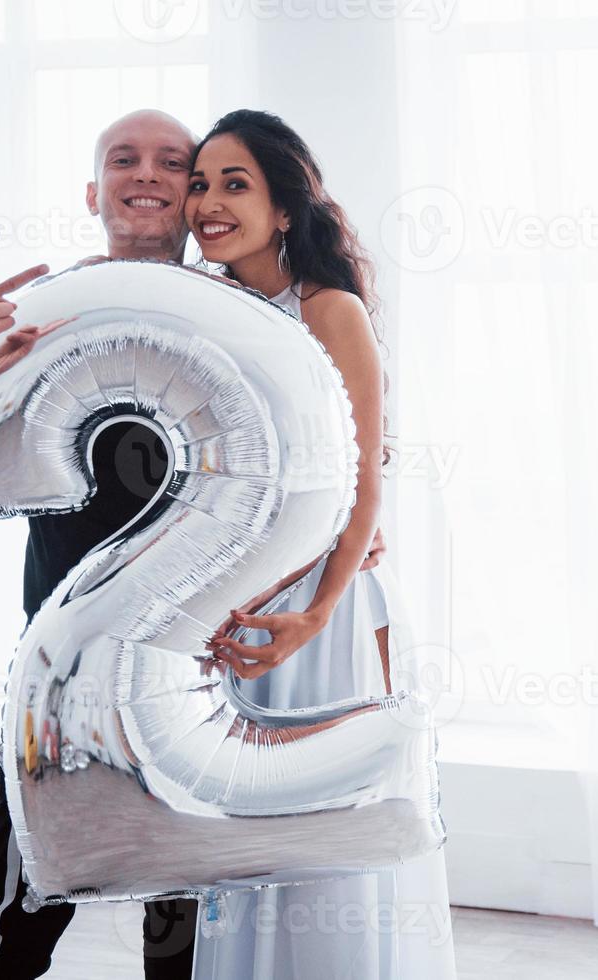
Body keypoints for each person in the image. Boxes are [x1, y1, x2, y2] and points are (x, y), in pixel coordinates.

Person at [0, 108, 387, 980]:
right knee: (16, 917)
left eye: (172, 163)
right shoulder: (42, 318)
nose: (145, 174)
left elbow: (341, 463)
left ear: (194, 197)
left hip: (205, 687)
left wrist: (349, 538)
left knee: (186, 941)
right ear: (92, 189)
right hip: (66, 689)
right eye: (121, 159)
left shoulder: (252, 331)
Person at [186, 109, 456, 978]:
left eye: (235, 184)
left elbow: (366, 481)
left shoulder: (328, 309)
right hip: (240, 598)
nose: (208, 202)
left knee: (324, 833)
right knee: (244, 832)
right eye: (200, 183)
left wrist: (318, 610)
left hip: (323, 609)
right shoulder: (202, 307)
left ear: (287, 207)